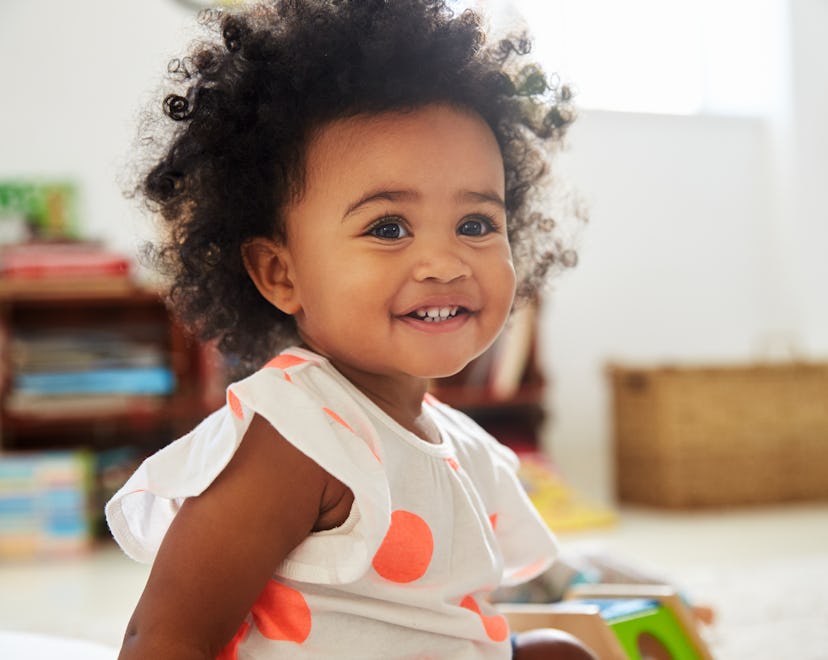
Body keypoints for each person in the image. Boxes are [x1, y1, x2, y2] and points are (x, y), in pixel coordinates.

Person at [106, 1, 592, 658]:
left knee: (560, 650)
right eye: (388, 228)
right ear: (280, 273)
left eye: (476, 224)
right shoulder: (297, 436)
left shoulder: (461, 444)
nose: (445, 262)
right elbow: (164, 637)